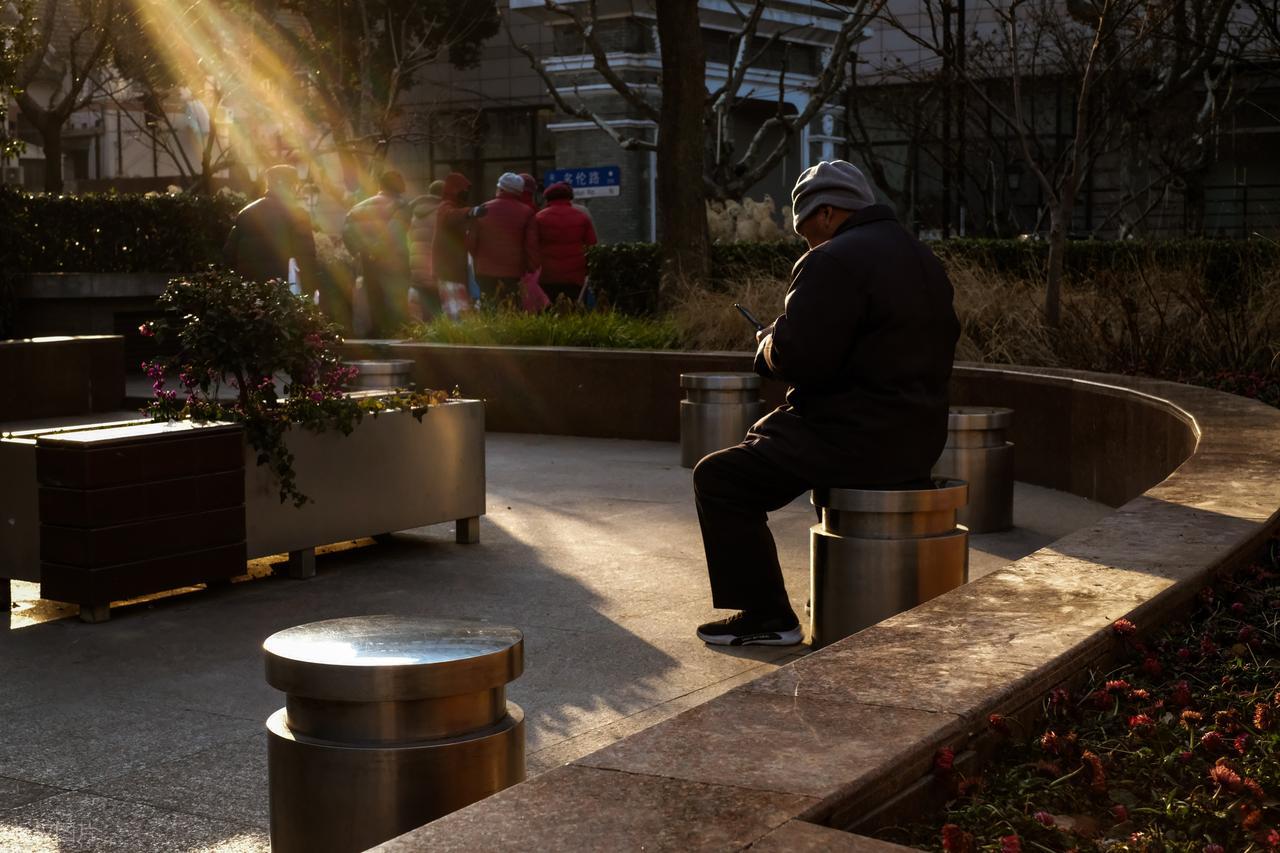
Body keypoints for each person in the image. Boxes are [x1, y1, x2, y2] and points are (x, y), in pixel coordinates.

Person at [692, 160, 961, 647]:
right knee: (770, 440)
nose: (806, 242)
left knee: (720, 479)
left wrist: (767, 343)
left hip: (850, 438)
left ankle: (768, 615)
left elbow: (801, 358)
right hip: (918, 440)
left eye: (805, 230)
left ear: (829, 213)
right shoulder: (923, 258)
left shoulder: (833, 260)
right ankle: (827, 595)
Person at [223, 164, 317, 289]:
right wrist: (310, 293)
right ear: (293, 186)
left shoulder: (246, 213)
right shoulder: (298, 215)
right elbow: (306, 261)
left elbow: (228, 256)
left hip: (250, 292)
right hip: (282, 293)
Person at [343, 170, 411, 337]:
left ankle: (374, 341)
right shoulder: (402, 206)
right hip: (393, 262)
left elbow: (346, 232)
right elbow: (395, 232)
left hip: (366, 263)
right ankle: (395, 342)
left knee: (372, 304)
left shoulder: (358, 208)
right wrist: (376, 250)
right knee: (396, 306)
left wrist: (360, 252)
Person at [469, 171, 539, 306]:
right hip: (513, 272)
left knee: (488, 310)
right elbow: (531, 245)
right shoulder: (527, 212)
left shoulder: (483, 209)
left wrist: (479, 261)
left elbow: (471, 242)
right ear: (518, 191)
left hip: (485, 271)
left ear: (500, 189)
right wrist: (532, 267)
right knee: (511, 310)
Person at [432, 172, 487, 319]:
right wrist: (471, 212)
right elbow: (451, 216)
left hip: (455, 267)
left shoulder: (454, 207)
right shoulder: (446, 207)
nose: (466, 194)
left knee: (460, 307)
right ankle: (456, 337)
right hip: (449, 269)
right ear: (454, 190)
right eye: (463, 190)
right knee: (455, 309)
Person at [535, 181, 598, 304]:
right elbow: (592, 245)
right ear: (570, 197)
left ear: (547, 198)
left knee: (550, 312)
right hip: (575, 275)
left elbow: (533, 245)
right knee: (574, 311)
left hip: (548, 275)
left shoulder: (539, 218)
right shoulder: (582, 217)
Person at [408, 180, 446, 320]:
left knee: (425, 306)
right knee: (438, 307)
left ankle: (428, 333)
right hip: (433, 266)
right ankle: (437, 335)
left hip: (416, 264)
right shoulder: (440, 212)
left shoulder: (415, 213)